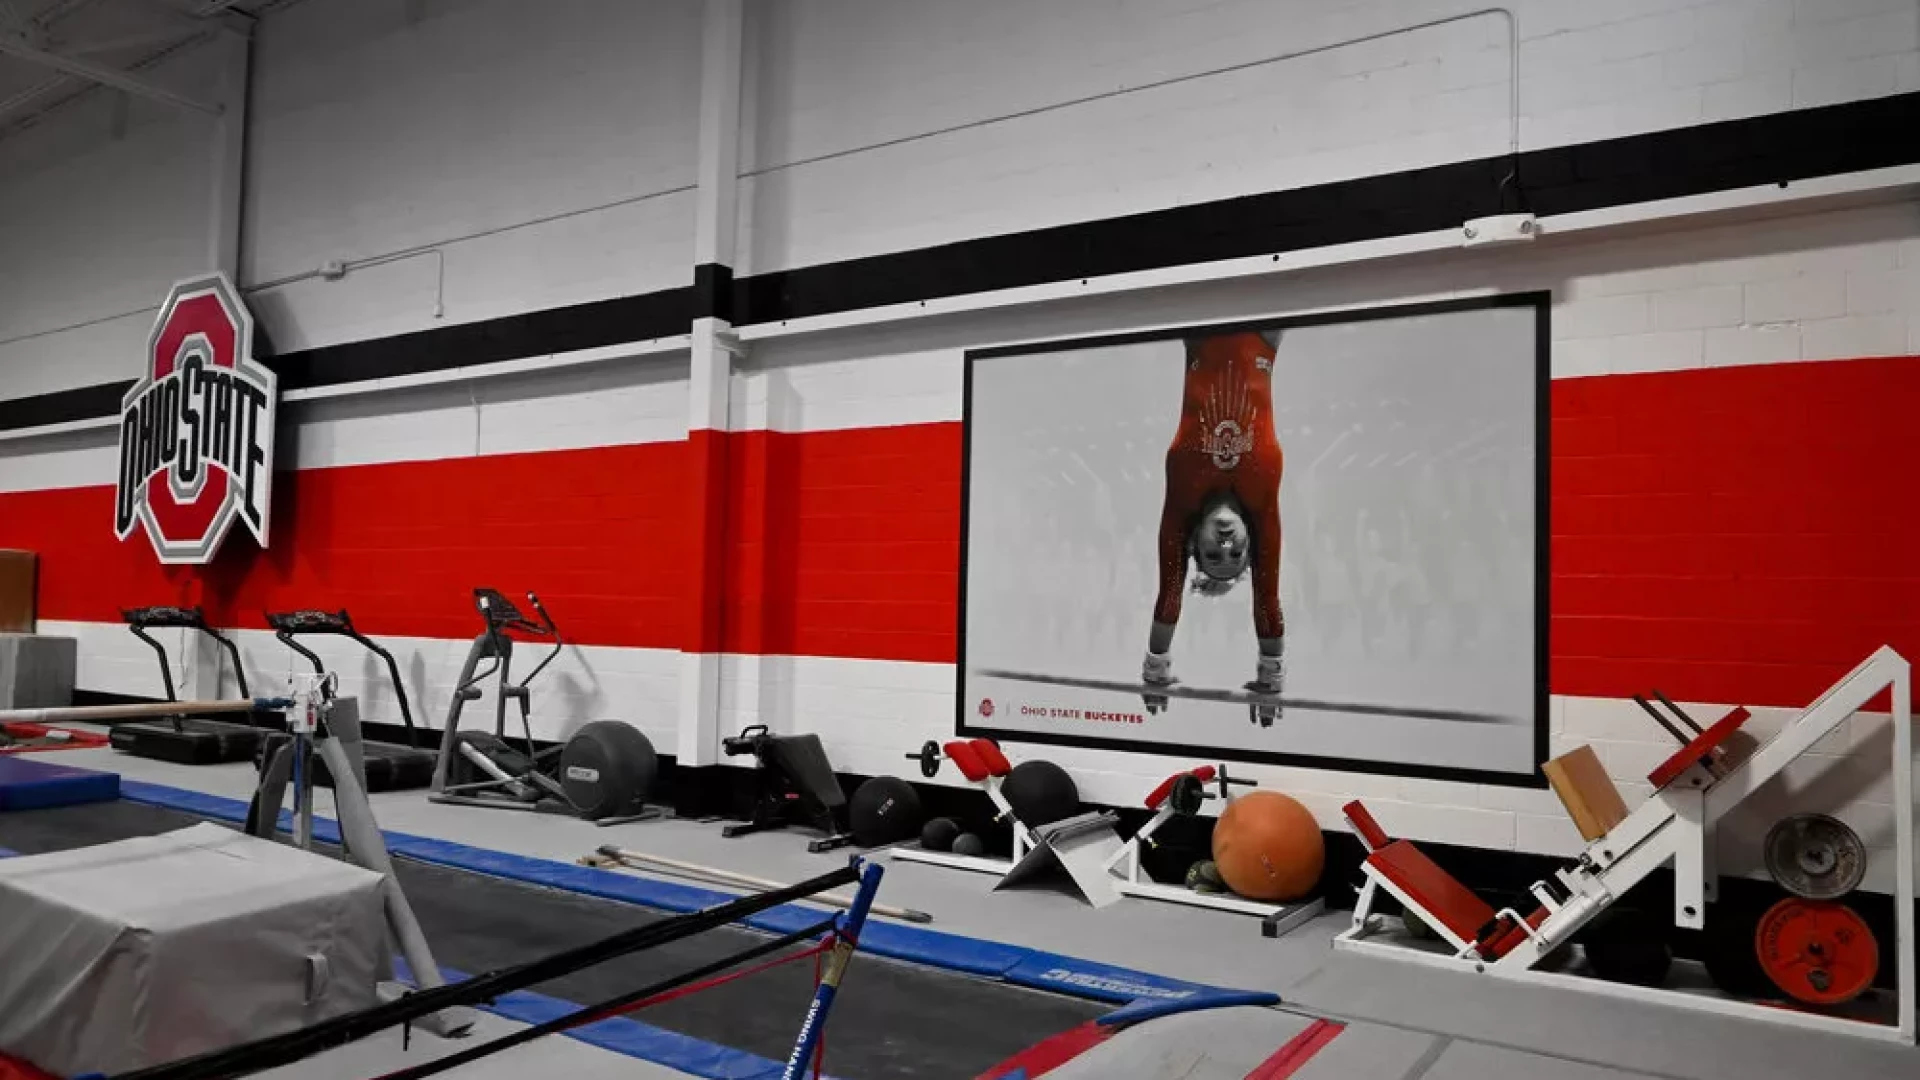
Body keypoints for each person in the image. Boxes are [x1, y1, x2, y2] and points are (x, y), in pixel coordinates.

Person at [1141, 328, 1285, 705]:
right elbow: (1268, 598)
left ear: (1192, 543)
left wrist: (1155, 672)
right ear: (1251, 544)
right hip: (1263, 335)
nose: (1225, 544)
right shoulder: (1263, 504)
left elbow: (1169, 594)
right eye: (1236, 554)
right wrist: (1271, 675)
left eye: (1212, 554)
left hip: (1203, 335)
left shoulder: (1182, 501)